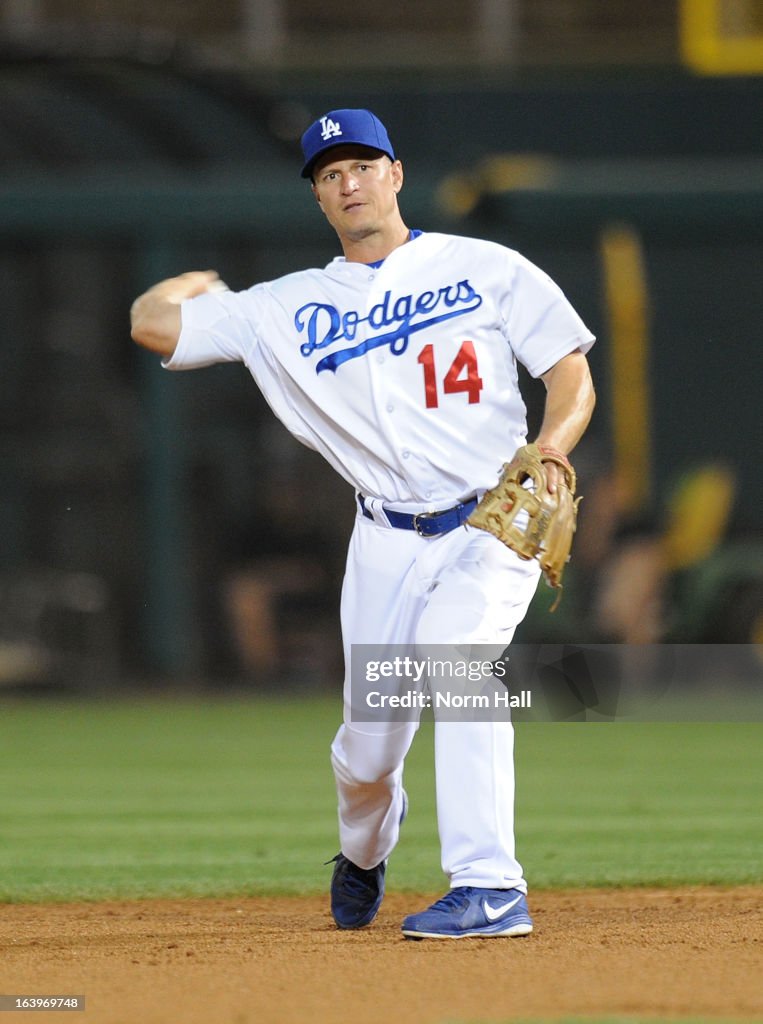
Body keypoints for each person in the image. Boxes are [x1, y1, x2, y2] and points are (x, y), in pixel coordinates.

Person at [130, 108, 596, 939]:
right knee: (366, 754)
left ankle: (490, 887)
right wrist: (191, 284)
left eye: (361, 165)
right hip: (382, 543)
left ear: (395, 173)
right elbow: (149, 323)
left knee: (460, 662)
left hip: (491, 525)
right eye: (328, 174)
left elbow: (570, 373)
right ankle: (363, 854)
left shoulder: (485, 267)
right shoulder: (286, 307)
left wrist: (552, 447)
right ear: (318, 197)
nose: (348, 182)